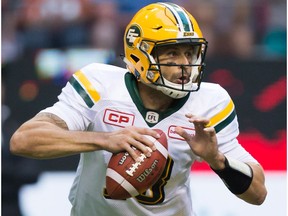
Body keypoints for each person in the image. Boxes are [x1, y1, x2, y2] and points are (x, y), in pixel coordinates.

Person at [10, 2, 267, 216]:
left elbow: (258, 194)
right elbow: (24, 140)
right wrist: (104, 139)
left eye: (190, 53)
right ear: (139, 55)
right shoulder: (99, 84)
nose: (185, 65)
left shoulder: (211, 101)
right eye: (172, 53)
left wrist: (218, 161)